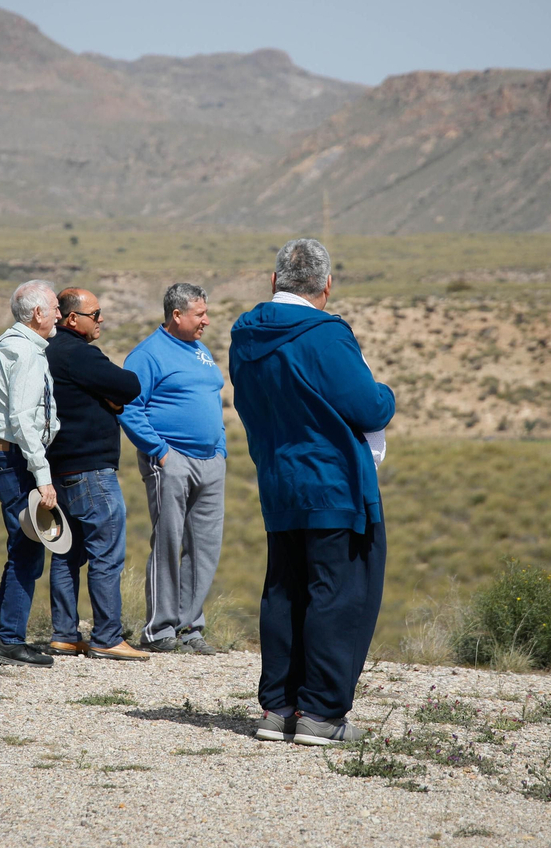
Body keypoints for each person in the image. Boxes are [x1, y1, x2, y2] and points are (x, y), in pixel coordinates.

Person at [228, 238, 395, 745]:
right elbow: (369, 407)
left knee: (284, 589)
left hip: (279, 478)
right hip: (333, 482)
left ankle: (278, 709)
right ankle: (322, 714)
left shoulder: (244, 335)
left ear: (274, 282)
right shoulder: (326, 334)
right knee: (338, 594)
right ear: (326, 286)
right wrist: (386, 393)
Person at [119, 282, 227, 655]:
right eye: (200, 314)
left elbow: (211, 398)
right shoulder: (148, 354)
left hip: (210, 461)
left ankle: (190, 628)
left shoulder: (200, 351)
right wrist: (161, 452)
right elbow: (129, 408)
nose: (207, 321)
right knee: (168, 542)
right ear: (177, 314)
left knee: (205, 547)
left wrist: (221, 449)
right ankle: (159, 630)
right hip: (171, 460)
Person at [44, 288, 149, 661]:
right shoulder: (78, 353)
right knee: (105, 553)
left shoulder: (49, 351)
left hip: (58, 470)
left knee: (66, 554)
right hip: (90, 470)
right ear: (73, 319)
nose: (101, 320)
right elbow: (130, 386)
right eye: (96, 314)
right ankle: (107, 636)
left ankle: (65, 634)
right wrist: (110, 396)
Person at [0, 279, 62, 667]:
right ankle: (9, 640)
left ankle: (4, 633)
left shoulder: (8, 345)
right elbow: (22, 420)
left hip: (4, 455)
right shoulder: (26, 353)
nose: (60, 314)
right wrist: (43, 475)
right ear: (38, 314)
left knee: (22, 544)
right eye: (54, 308)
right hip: (14, 459)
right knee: (28, 545)